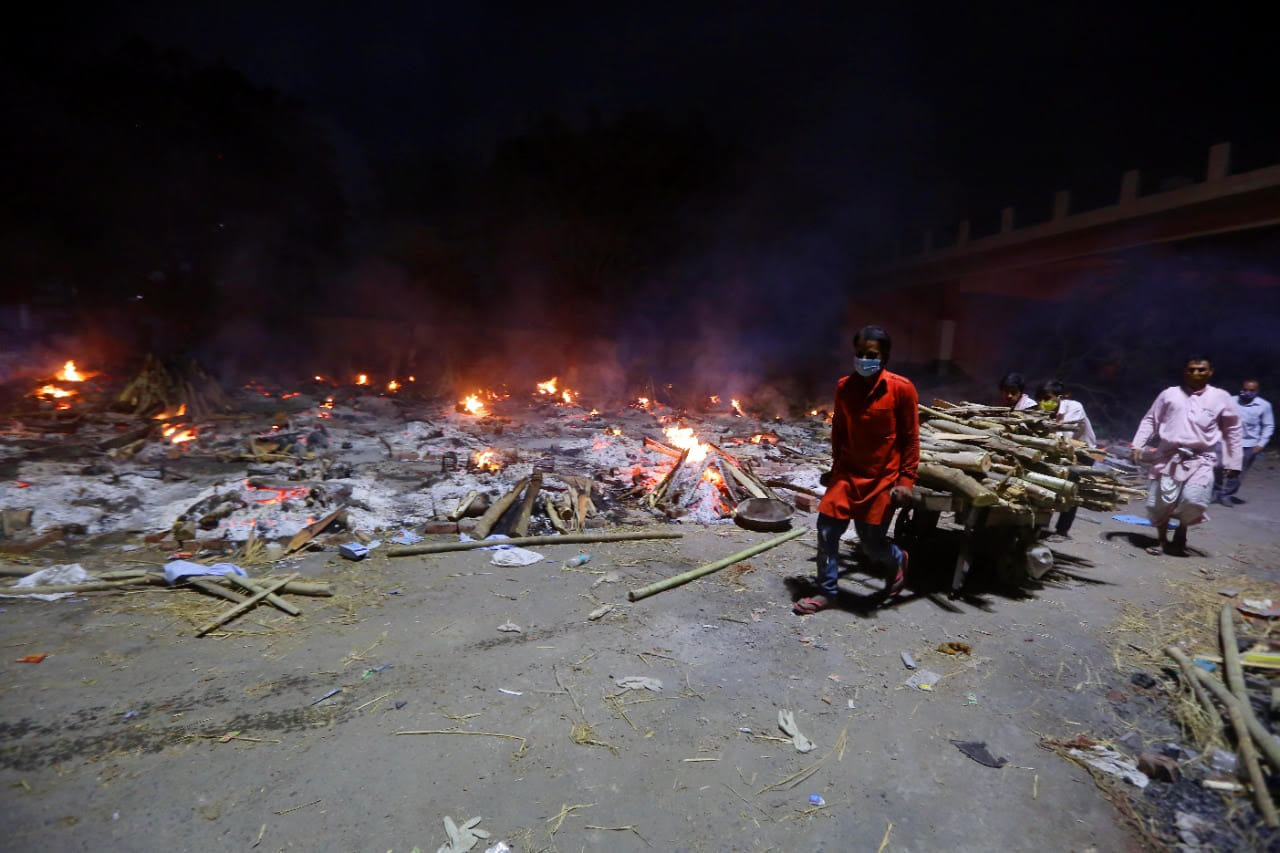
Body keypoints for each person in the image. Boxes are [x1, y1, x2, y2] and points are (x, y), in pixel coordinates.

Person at [795, 325, 919, 614]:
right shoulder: (844, 387)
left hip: (881, 478)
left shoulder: (902, 389)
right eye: (860, 353)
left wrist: (906, 482)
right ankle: (827, 592)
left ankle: (898, 557)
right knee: (827, 531)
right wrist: (835, 468)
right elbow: (839, 431)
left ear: (885, 357)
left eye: (871, 355)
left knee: (871, 545)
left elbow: (910, 440)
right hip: (847, 475)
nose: (864, 359)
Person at [1131, 355, 1241, 556]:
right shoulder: (1169, 394)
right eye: (1191, 369)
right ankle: (1162, 541)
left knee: (1194, 499)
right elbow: (1151, 419)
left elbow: (1232, 430)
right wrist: (1138, 444)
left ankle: (1182, 529)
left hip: (1202, 458)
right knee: (1161, 502)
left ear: (1210, 372)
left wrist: (1234, 462)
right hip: (1168, 456)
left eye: (1201, 369)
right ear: (1185, 371)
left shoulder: (1220, 397)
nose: (1195, 373)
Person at [1035, 380, 1097, 541]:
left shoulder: (1074, 407)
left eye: (1047, 398)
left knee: (1071, 489)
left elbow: (1065, 435)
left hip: (1083, 452)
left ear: (1059, 397)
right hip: (1060, 449)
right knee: (1047, 483)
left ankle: (1062, 531)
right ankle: (1041, 524)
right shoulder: (1042, 410)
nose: (1043, 402)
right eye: (1040, 399)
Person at [1214, 379, 1272, 505]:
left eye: (1251, 390)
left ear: (1257, 391)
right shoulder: (1230, 401)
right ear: (1241, 389)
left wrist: (1261, 444)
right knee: (1218, 465)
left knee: (1237, 471)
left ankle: (1226, 495)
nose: (1247, 392)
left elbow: (1268, 425)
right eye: (1245, 389)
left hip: (1248, 443)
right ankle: (1216, 491)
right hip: (1226, 440)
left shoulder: (1264, 405)